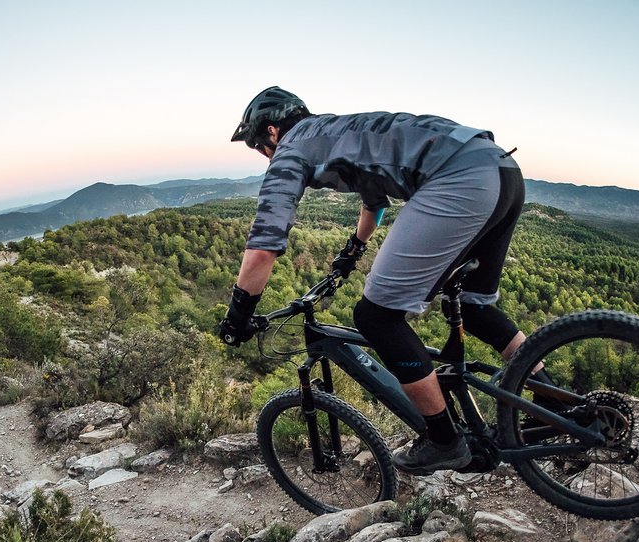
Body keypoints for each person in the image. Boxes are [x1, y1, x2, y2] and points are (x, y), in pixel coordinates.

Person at [219, 86, 530, 475]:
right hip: (499, 168)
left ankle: (445, 441)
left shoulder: (291, 148)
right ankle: (556, 405)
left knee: (375, 316)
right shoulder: (339, 131)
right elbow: (375, 203)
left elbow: (264, 246)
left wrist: (237, 315)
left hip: (460, 177)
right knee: (476, 306)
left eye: (258, 147)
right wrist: (353, 250)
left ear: (271, 132)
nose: (264, 157)